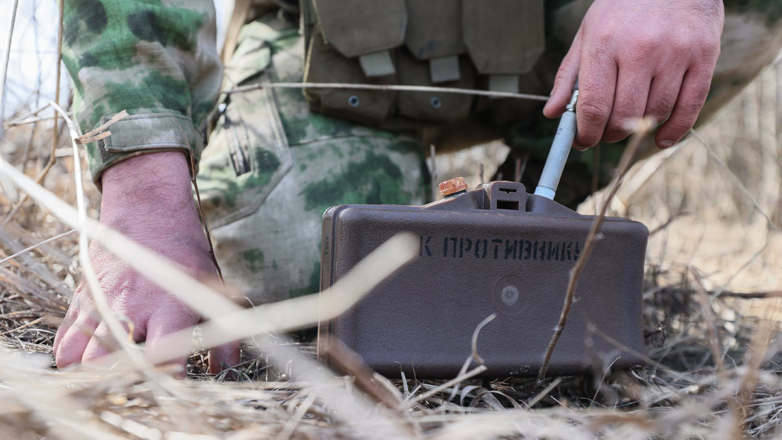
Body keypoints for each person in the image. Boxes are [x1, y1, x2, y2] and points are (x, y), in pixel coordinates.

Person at [52, 0, 782, 372]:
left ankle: (528, 213)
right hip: (330, 53)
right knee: (317, 288)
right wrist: (146, 205)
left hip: (562, 38)